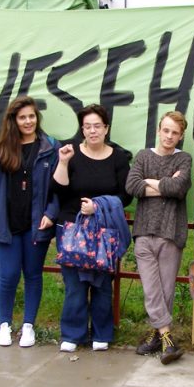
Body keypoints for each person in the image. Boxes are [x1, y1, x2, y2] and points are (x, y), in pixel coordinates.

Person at [0, 95, 60, 348]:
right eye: (22, 117)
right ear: (14, 120)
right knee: (9, 275)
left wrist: (51, 214)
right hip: (8, 224)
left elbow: (58, 187)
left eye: (32, 116)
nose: (28, 121)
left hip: (37, 223)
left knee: (33, 275)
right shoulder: (4, 146)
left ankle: (29, 326)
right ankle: (4, 325)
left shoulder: (49, 147)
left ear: (37, 117)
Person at [51, 104, 132, 352]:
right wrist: (63, 163)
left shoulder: (119, 157)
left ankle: (101, 333)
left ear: (106, 128)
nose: (92, 131)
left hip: (104, 229)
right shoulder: (71, 152)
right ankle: (72, 333)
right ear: (82, 129)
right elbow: (59, 191)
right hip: (72, 227)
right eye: (87, 126)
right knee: (74, 283)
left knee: (102, 283)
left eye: (97, 126)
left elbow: (125, 195)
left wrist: (98, 206)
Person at [126, 111, 192, 365]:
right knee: (151, 289)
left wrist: (149, 184)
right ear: (158, 130)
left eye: (175, 133)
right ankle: (167, 339)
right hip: (144, 231)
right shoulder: (143, 155)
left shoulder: (184, 158)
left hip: (171, 232)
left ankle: (156, 336)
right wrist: (164, 185)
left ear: (181, 135)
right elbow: (132, 187)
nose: (169, 136)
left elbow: (178, 188)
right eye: (166, 130)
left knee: (166, 290)